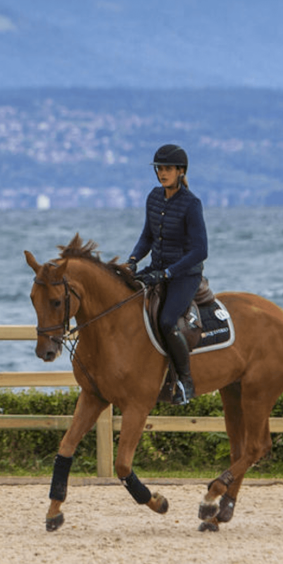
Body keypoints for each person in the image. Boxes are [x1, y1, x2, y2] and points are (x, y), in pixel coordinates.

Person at [126, 144, 208, 405]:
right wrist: (132, 261)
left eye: (168, 169)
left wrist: (169, 273)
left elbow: (200, 250)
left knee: (166, 321)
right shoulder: (153, 197)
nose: (162, 173)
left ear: (180, 171)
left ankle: (185, 382)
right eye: (159, 169)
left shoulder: (191, 204)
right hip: (157, 268)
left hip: (184, 275)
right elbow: (146, 237)